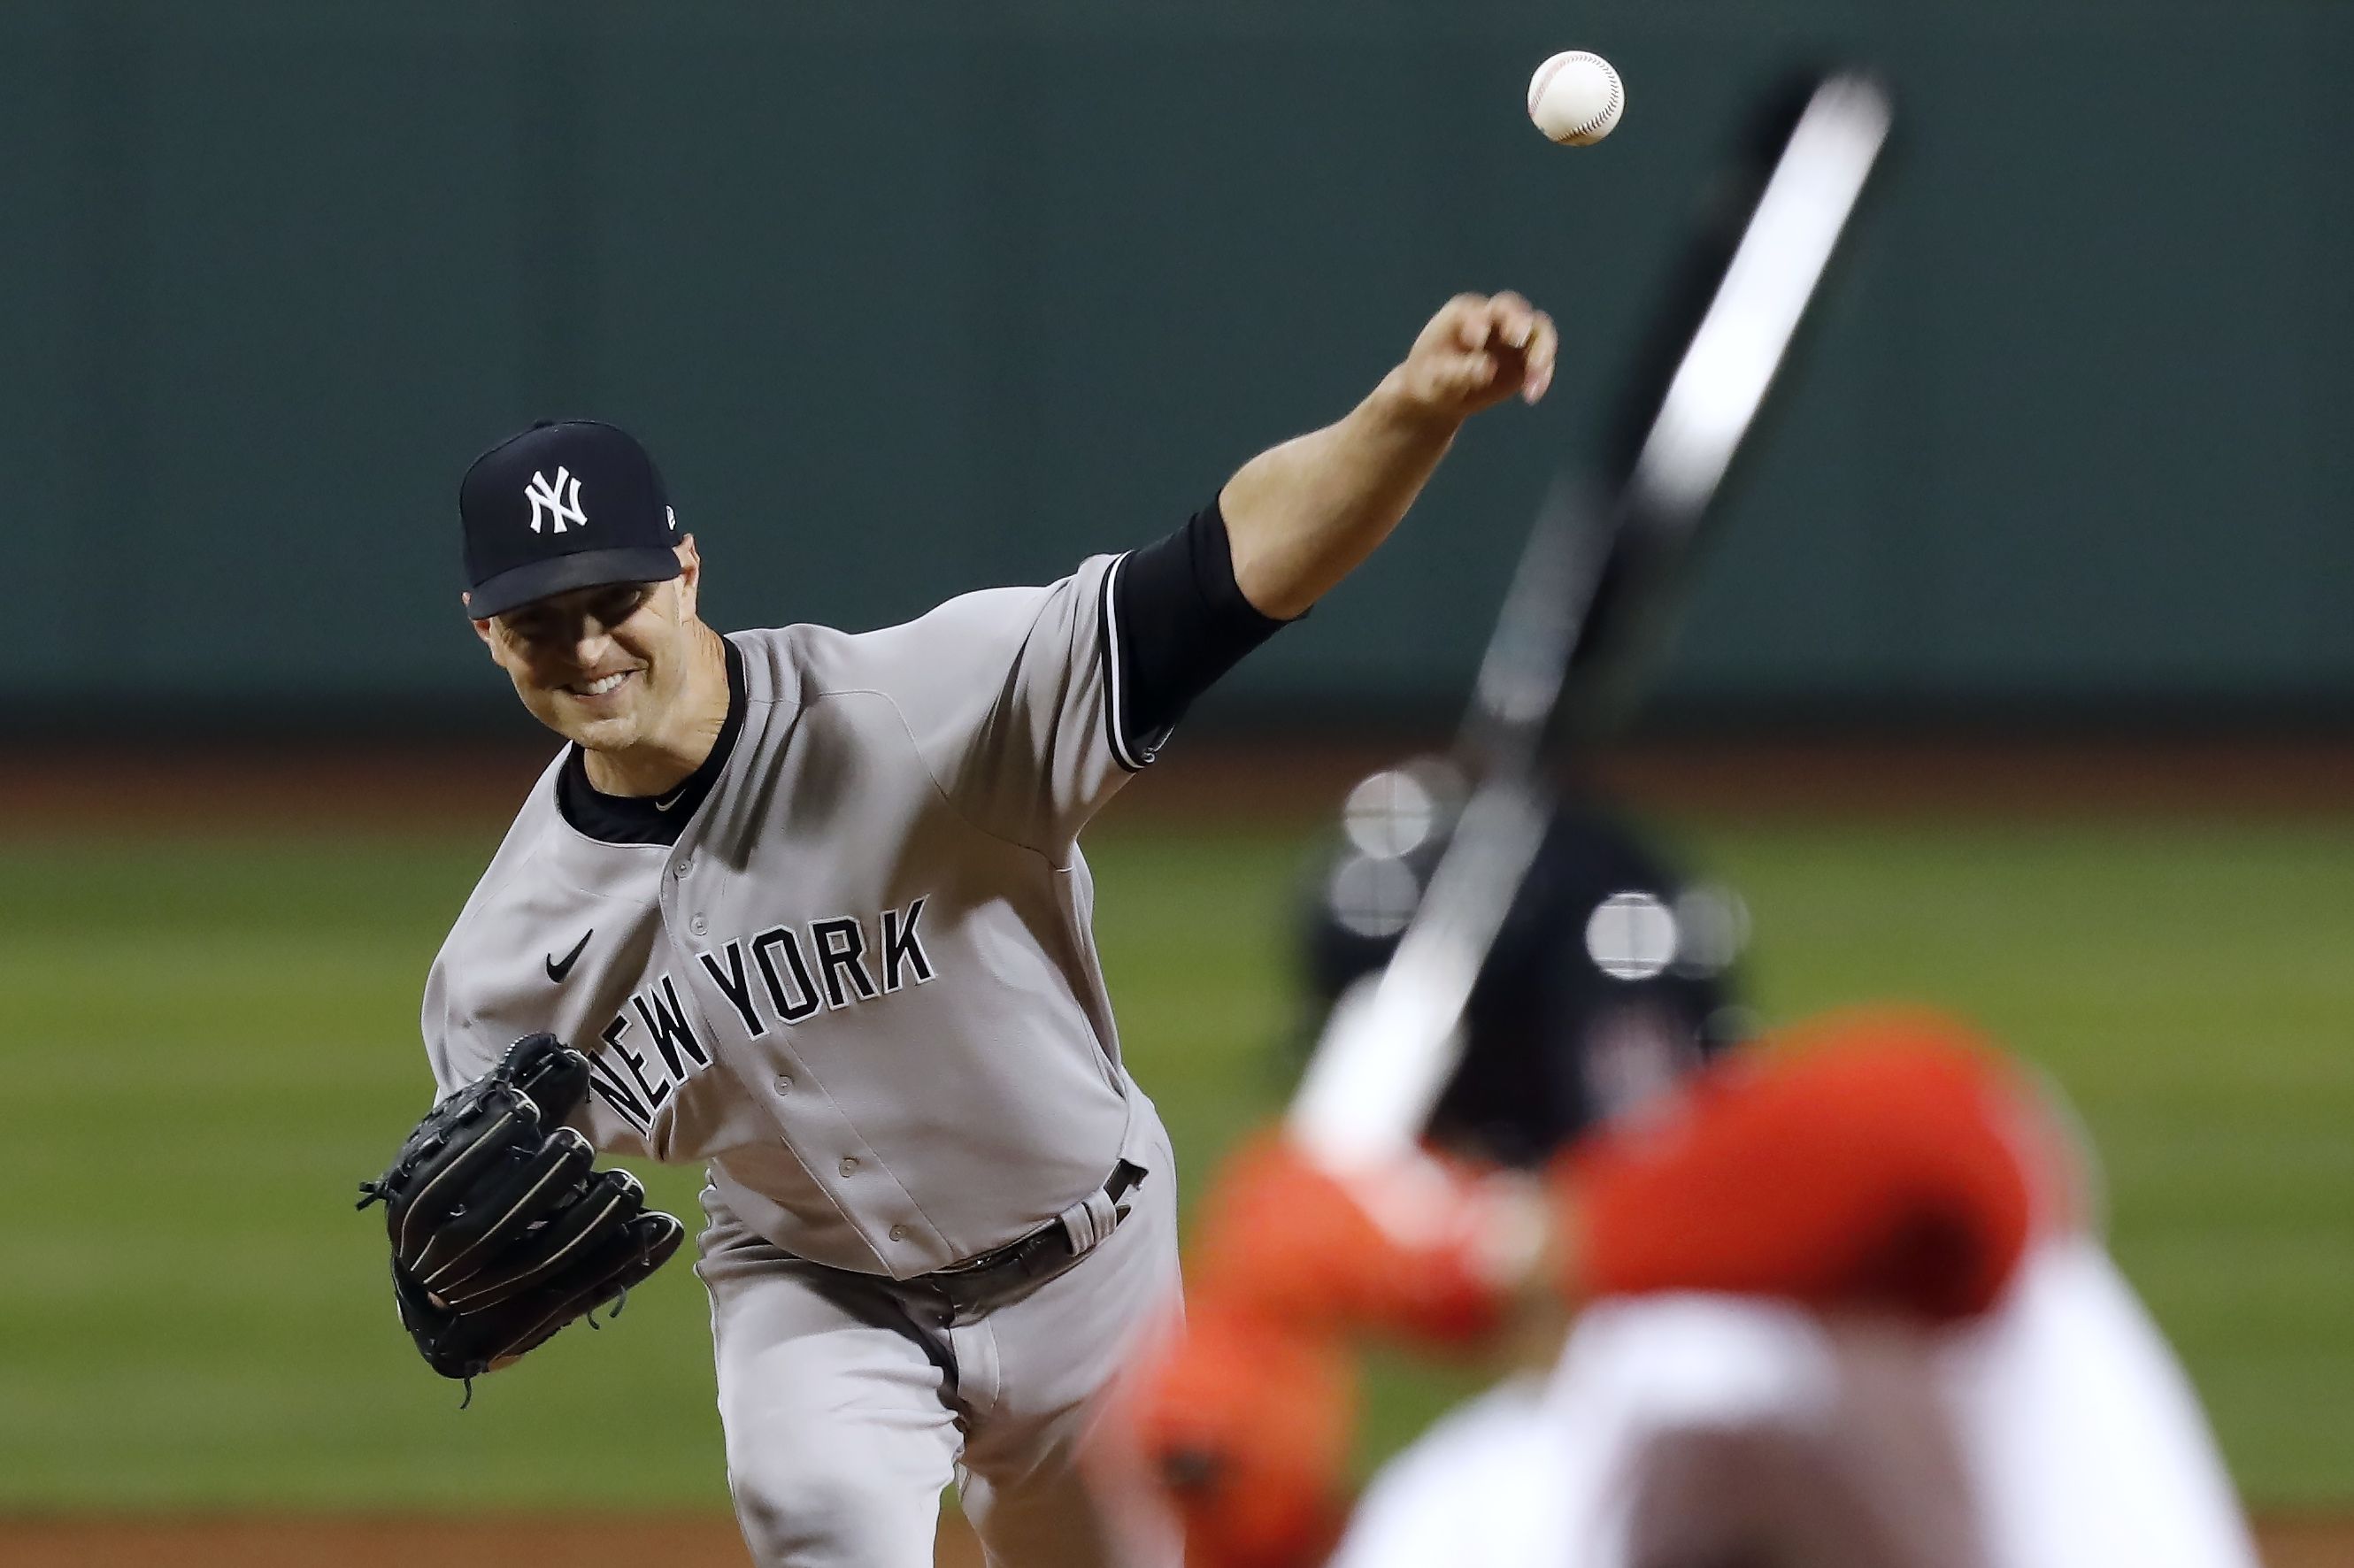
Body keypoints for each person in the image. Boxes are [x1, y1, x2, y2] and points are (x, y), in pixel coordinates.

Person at [409, 292, 1559, 1568]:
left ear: (685, 570)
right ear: (484, 631)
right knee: (823, 1518)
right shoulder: (500, 966)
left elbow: (1223, 576)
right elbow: (493, 1223)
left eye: (610, 594)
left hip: (1088, 1261)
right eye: (538, 620)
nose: (586, 644)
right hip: (813, 1288)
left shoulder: (924, 707)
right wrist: (463, 1278)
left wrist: (1407, 411)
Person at [1112, 791, 2259, 1568]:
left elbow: (1934, 1134)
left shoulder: (1867, 1317)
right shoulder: (1483, 1499)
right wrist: (1242, 1517)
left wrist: (1493, 1248)